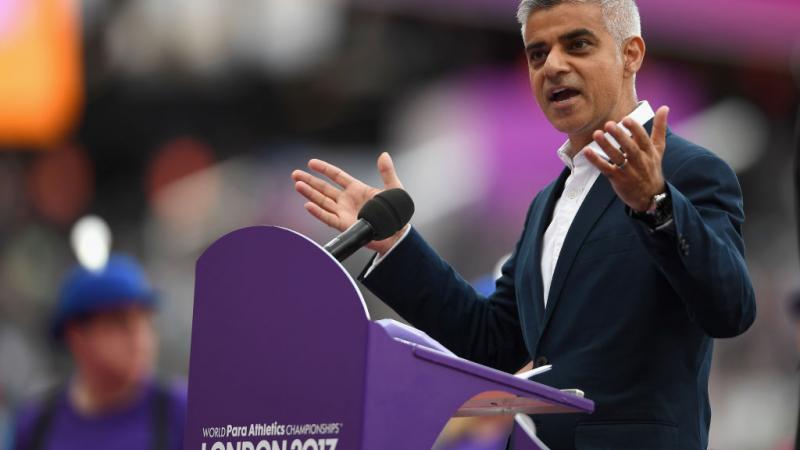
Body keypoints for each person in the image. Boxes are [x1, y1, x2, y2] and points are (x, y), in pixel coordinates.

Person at [291, 0, 756, 448]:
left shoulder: (688, 171)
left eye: (577, 45)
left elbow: (729, 308)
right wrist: (397, 244)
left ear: (631, 54)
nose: (552, 65)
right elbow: (492, 343)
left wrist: (655, 203)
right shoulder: (546, 204)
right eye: (538, 53)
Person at [9, 254, 186, 450]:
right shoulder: (37, 425)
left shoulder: (182, 412)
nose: (139, 338)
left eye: (144, 321)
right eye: (120, 323)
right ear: (77, 337)